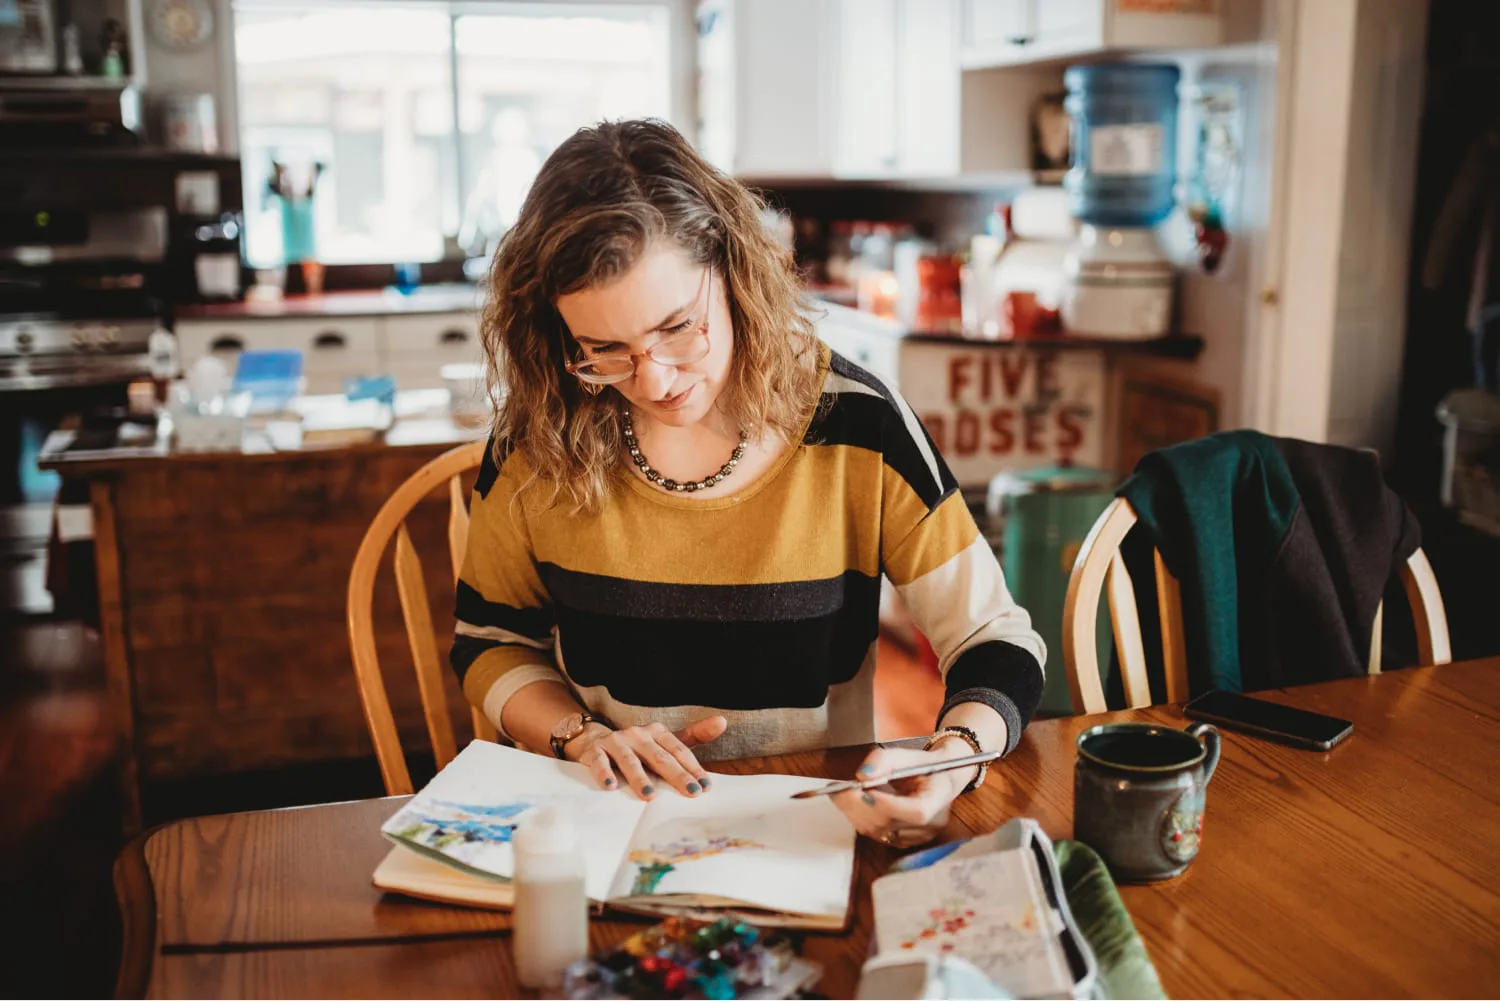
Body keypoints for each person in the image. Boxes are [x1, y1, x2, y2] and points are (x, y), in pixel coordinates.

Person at [453, 119, 1046, 847]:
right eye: (605, 352)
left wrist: (956, 758)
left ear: (732, 273)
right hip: (611, 821)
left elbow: (994, 637)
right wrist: (578, 734)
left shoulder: (855, 423)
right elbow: (490, 640)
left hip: (811, 828)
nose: (655, 380)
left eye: (679, 327)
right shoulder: (537, 437)